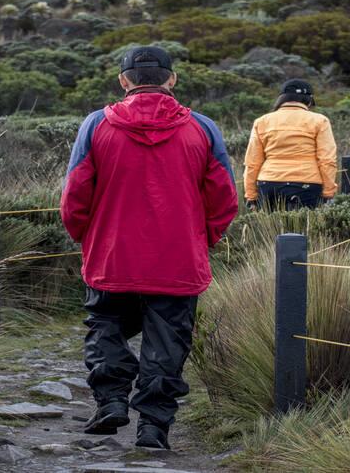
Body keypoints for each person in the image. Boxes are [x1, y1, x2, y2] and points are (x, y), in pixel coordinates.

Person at [60, 45, 239, 450]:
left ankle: (111, 401)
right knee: (168, 340)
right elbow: (224, 198)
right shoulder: (203, 128)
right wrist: (201, 239)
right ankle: (153, 427)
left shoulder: (95, 125)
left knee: (106, 326)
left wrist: (88, 238)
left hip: (112, 255)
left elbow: (74, 195)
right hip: (178, 258)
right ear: (171, 79)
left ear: (124, 81)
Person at [243, 79, 338, 211]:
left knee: (270, 224)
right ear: (309, 100)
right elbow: (327, 160)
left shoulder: (262, 121)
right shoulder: (320, 121)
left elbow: (252, 162)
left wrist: (251, 195)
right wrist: (328, 192)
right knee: (305, 224)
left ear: (282, 99)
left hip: (269, 182)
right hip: (307, 182)